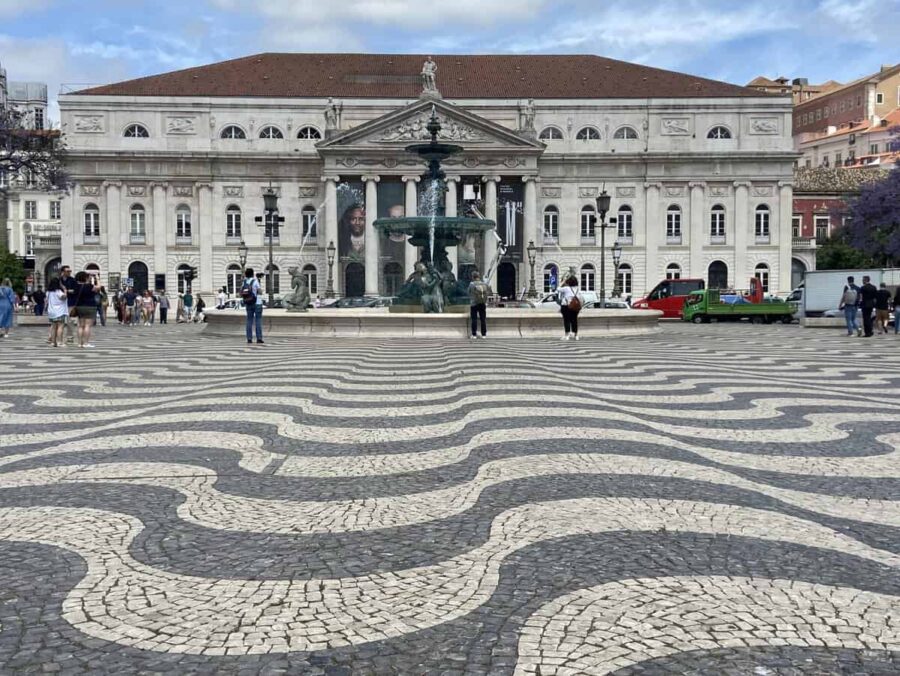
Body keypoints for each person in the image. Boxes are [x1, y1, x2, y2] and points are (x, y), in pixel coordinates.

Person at [72, 271, 100, 347]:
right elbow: (99, 287)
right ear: (85, 278)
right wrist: (97, 278)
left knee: (80, 325)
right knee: (87, 325)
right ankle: (85, 343)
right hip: (90, 306)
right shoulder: (89, 286)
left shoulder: (76, 286)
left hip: (79, 306)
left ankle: (79, 343)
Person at [241, 267, 264, 343]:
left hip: (248, 302)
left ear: (246, 274)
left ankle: (249, 338)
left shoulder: (244, 282)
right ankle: (259, 338)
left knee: (249, 320)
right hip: (257, 302)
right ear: (252, 274)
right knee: (258, 320)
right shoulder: (255, 281)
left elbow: (242, 292)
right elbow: (260, 291)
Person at [557, 276, 582, 341]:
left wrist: (563, 282)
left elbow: (558, 289)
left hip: (566, 306)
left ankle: (567, 335)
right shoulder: (577, 289)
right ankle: (576, 335)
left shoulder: (566, 288)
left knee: (566, 320)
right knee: (574, 320)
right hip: (575, 306)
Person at [45, 277, 67, 347]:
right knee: (60, 326)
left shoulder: (48, 292)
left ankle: (54, 342)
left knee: (54, 327)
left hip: (51, 311)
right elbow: (64, 297)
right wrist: (65, 290)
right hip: (59, 311)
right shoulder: (58, 291)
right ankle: (60, 342)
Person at [467, 271, 489, 339]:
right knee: (483, 319)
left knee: (474, 319)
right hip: (482, 303)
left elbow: (468, 292)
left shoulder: (472, 284)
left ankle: (474, 334)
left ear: (473, 277)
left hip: (474, 304)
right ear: (479, 276)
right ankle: (484, 334)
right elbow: (487, 291)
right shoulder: (484, 283)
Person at [60, 265, 79, 344]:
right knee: (59, 321)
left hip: (70, 302)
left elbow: (76, 290)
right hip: (60, 303)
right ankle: (57, 337)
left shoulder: (72, 280)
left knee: (69, 321)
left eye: (70, 271)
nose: (69, 273)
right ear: (63, 272)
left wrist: (71, 291)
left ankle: (70, 336)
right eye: (67, 271)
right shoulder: (58, 280)